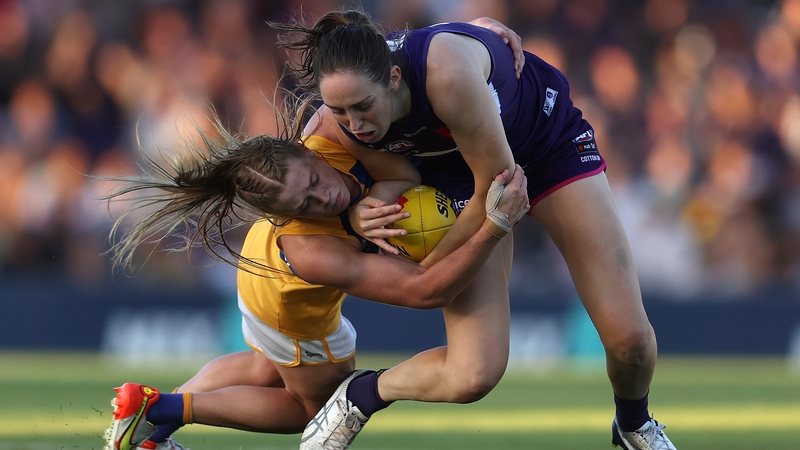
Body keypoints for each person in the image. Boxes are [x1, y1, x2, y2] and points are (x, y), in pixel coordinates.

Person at [100, 18, 530, 450]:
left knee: (265, 367)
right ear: (284, 217)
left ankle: (153, 420)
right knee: (310, 406)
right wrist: (493, 225)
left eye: (313, 181)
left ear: (305, 150)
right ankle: (163, 411)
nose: (325, 198)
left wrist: (464, 38)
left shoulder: (335, 130)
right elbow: (424, 291)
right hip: (282, 298)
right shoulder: (309, 250)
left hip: (262, 264)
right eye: (304, 206)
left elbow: (373, 65)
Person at [272, 9, 677, 450]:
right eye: (339, 111)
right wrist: (357, 214)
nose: (356, 125)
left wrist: (432, 267)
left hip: (544, 148)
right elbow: (346, 181)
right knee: (472, 375)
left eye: (363, 106)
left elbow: (500, 189)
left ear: (393, 78)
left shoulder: (445, 75)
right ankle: (363, 393)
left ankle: (634, 425)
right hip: (460, 179)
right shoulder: (338, 121)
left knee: (631, 341)